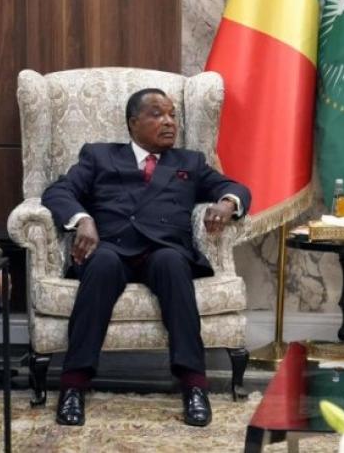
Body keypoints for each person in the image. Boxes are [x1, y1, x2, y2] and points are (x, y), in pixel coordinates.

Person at [41, 88, 250, 427]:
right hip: (111, 246)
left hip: (163, 249)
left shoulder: (189, 162)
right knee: (101, 264)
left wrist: (227, 204)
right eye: (157, 114)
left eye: (172, 115)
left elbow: (236, 188)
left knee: (172, 264)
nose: (169, 122)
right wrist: (83, 220)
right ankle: (73, 387)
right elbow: (58, 191)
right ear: (132, 123)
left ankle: (195, 387)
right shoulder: (99, 156)